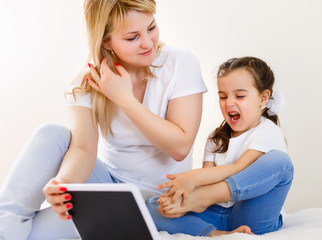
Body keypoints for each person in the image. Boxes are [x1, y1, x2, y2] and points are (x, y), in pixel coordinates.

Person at [0, 0, 207, 239]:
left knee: (30, 234)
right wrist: (63, 183)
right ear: (106, 41)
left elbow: (180, 146)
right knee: (52, 134)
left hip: (156, 200)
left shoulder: (180, 62)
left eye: (151, 27)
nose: (148, 43)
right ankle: (6, 220)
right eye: (132, 37)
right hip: (106, 187)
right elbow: (83, 149)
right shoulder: (89, 77)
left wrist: (125, 99)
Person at [147, 57, 294, 236]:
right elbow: (207, 178)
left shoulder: (268, 132)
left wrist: (195, 181)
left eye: (240, 96)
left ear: (263, 98)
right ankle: (216, 234)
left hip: (252, 214)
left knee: (281, 163)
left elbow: (239, 168)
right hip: (216, 213)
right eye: (223, 96)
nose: (229, 103)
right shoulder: (215, 139)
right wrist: (184, 197)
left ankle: (204, 199)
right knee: (153, 205)